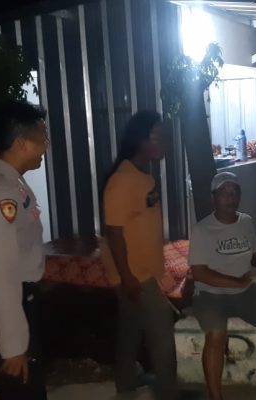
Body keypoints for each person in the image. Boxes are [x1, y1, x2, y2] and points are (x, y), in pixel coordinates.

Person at [0, 100, 50, 399]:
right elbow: (1, 275)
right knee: (23, 392)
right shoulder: (0, 195)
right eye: (42, 138)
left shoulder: (13, 185)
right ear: (21, 143)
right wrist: (12, 346)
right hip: (12, 305)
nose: (46, 146)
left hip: (22, 301)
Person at [189, 172, 256, 400]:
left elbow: (253, 256)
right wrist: (236, 281)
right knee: (216, 334)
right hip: (210, 294)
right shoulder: (201, 229)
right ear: (213, 198)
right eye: (224, 193)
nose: (231, 198)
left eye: (235, 192)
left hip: (244, 292)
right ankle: (215, 396)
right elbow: (199, 273)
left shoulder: (246, 221)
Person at [103, 111, 178, 399]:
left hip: (141, 271)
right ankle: (168, 393)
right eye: (161, 137)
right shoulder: (122, 180)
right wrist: (127, 277)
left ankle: (125, 385)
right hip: (136, 274)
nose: (167, 142)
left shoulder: (142, 175)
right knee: (163, 336)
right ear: (142, 140)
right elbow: (114, 233)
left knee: (130, 330)